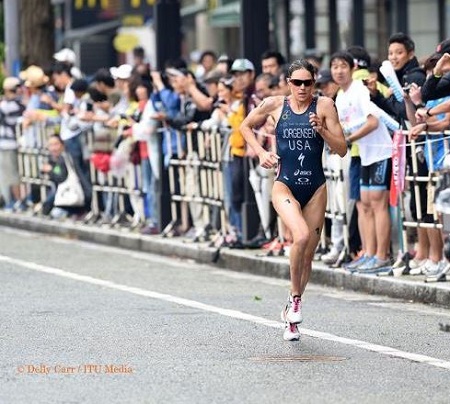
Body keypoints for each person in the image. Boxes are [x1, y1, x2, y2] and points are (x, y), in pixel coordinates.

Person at [240, 59, 347, 341]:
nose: (302, 88)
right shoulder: (275, 105)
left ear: (314, 83)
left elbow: (342, 149)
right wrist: (262, 154)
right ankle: (296, 300)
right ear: (288, 83)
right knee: (299, 237)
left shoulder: (324, 106)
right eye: (297, 82)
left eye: (308, 83)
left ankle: (291, 312)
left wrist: (322, 130)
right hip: (284, 184)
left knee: (308, 254)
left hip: (315, 187)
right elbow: (245, 127)